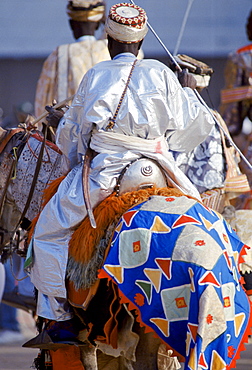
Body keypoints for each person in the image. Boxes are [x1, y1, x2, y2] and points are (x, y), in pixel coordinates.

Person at [25, 1, 215, 361]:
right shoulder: (161, 73)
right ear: (141, 40)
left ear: (110, 40)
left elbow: (72, 136)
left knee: (48, 231)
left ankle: (60, 319)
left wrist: (76, 160)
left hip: (108, 174)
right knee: (204, 215)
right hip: (158, 170)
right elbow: (195, 127)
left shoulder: (96, 76)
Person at [34, 0, 110, 120]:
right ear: (97, 25)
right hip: (106, 130)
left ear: (71, 24)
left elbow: (43, 100)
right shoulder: (109, 49)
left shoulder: (59, 55)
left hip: (69, 130)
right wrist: (107, 23)